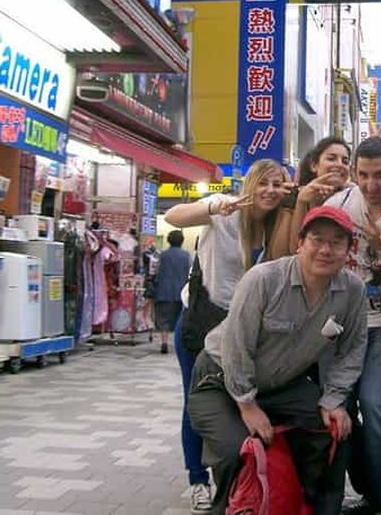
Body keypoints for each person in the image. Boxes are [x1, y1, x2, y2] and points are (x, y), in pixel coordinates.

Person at [187, 205, 368, 515]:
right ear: (300, 243)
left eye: (336, 242)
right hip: (219, 380)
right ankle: (229, 508)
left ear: (348, 251)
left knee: (336, 428)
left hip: (281, 385)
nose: (326, 249)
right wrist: (247, 404)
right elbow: (236, 345)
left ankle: (312, 506)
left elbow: (352, 349)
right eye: (317, 239)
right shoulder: (264, 279)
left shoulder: (352, 290)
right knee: (237, 451)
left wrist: (333, 400)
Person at [164, 158, 291, 515]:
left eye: (277, 184)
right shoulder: (226, 211)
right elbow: (173, 216)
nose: (270, 191)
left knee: (238, 404)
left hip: (244, 331)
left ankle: (236, 480)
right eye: (263, 183)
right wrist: (211, 207)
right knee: (196, 402)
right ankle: (197, 481)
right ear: (250, 184)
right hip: (202, 323)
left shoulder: (279, 225)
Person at [323, 137, 381, 514]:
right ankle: (358, 491)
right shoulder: (340, 204)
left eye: (379, 175)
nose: (370, 184)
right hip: (342, 323)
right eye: (362, 174)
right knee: (337, 404)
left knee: (375, 402)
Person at [286, 136, 353, 254]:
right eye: (331, 159)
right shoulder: (292, 197)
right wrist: (301, 201)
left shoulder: (353, 196)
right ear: (314, 165)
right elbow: (295, 250)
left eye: (345, 161)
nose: (339, 164)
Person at [152, 230, 191, 354]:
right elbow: (188, 273)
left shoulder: (163, 255)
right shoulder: (186, 256)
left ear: (168, 240)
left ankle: (164, 342)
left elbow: (156, 272)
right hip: (181, 292)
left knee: (163, 318)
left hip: (163, 291)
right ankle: (180, 343)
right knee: (180, 319)